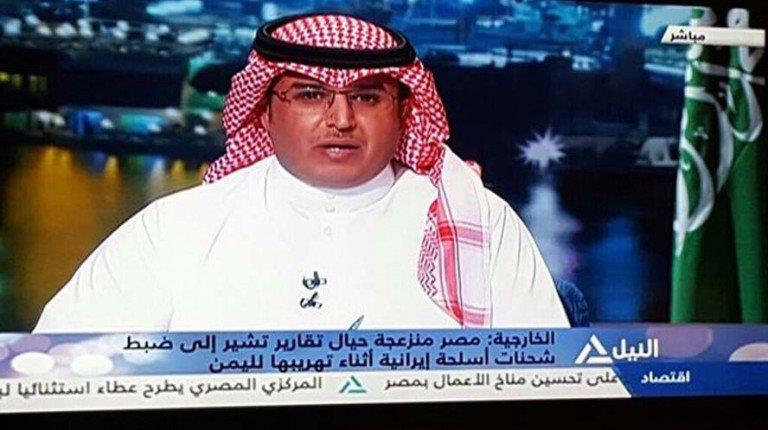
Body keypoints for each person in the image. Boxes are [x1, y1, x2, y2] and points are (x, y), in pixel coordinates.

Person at [34, 13, 569, 333]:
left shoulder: (480, 222)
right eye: (311, 95)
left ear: (403, 112)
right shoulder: (177, 227)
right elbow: (60, 369)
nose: (341, 119)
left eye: (366, 97)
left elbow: (547, 379)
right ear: (265, 112)